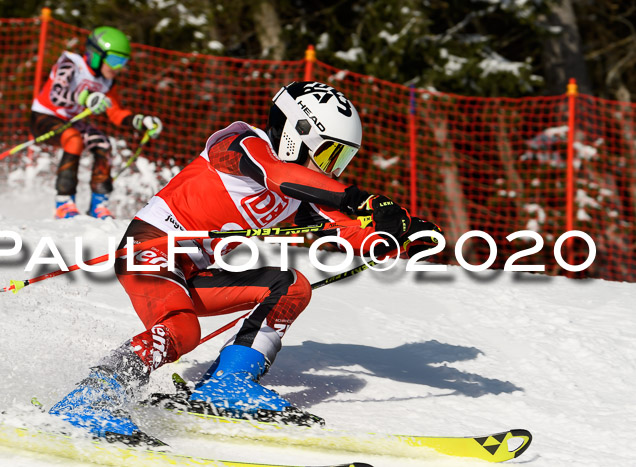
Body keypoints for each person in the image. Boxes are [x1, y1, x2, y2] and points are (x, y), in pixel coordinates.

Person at [47, 81, 441, 442]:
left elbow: (352, 232)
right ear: (298, 134)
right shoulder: (239, 142)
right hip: (149, 248)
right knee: (182, 329)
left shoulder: (303, 193)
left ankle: (230, 383)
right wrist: (364, 199)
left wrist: (403, 236)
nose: (334, 168)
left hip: (194, 272)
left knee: (291, 286)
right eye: (330, 152)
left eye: (342, 159)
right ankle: (89, 398)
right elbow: (276, 174)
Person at [30, 26, 163, 220]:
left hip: (70, 122)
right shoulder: (70, 63)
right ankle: (64, 203)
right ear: (96, 55)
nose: (118, 68)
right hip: (44, 117)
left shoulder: (107, 81)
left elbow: (115, 113)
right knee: (74, 140)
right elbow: (57, 94)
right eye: (115, 61)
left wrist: (141, 121)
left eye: (123, 62)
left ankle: (98, 204)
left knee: (103, 144)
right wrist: (86, 98)